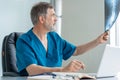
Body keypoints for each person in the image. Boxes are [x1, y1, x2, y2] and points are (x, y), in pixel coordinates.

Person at [16, 2, 109, 76]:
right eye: (53, 15)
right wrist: (62, 70)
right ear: (42, 19)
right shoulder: (24, 41)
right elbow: (31, 69)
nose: (56, 19)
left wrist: (97, 41)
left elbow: (76, 50)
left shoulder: (54, 37)